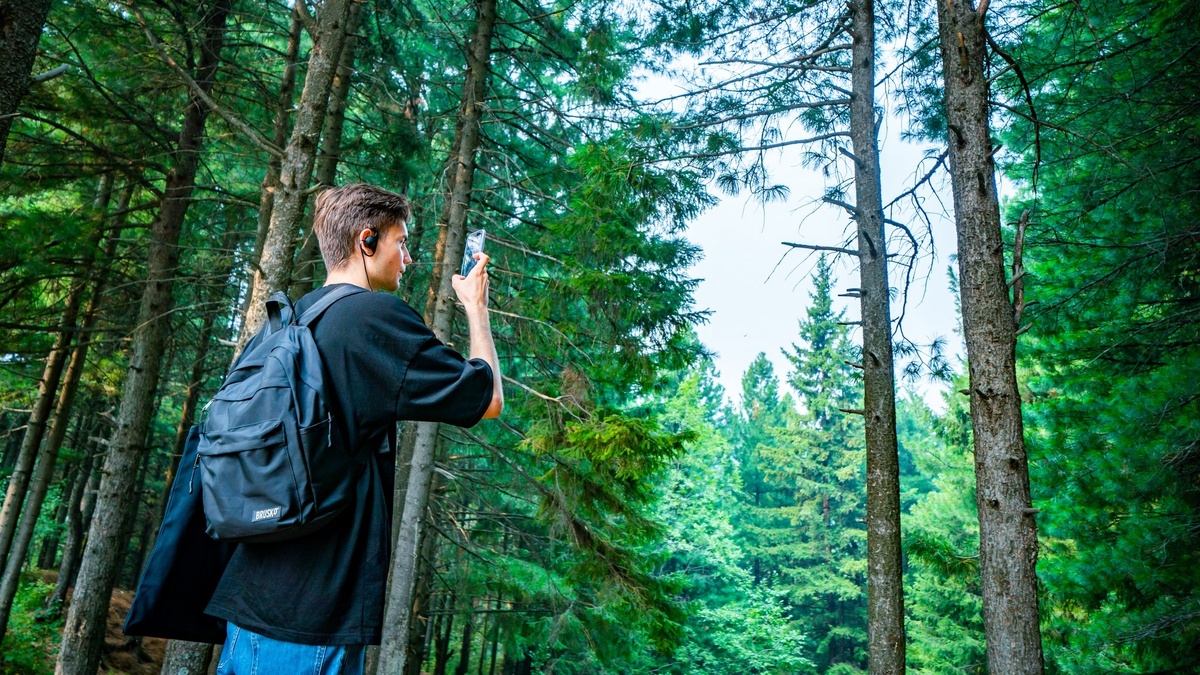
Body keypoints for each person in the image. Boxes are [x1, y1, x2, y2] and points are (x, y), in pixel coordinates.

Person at [206, 183, 503, 674]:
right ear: (366, 241)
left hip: (247, 602)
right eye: (400, 242)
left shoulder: (287, 321)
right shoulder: (371, 317)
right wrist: (476, 306)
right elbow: (488, 397)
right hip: (316, 616)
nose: (407, 259)